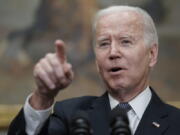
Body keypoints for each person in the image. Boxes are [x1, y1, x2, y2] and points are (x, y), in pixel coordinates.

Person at [8, 5, 180, 135]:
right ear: (97, 61)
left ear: (152, 54)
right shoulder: (71, 116)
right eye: (104, 44)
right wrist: (42, 96)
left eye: (125, 41)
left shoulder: (176, 122)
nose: (113, 52)